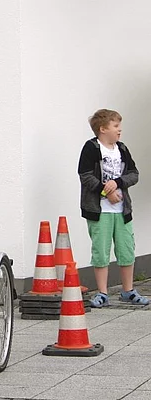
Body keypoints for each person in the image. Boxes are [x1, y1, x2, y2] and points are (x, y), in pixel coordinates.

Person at [78, 109, 148, 308]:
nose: (119, 130)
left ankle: (128, 290)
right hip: (99, 211)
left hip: (122, 211)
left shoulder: (122, 149)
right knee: (101, 252)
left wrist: (117, 182)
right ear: (103, 129)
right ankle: (102, 293)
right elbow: (85, 175)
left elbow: (133, 174)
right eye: (115, 126)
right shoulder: (91, 148)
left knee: (126, 250)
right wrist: (105, 191)